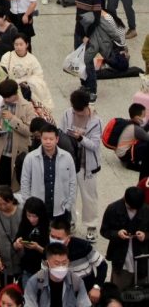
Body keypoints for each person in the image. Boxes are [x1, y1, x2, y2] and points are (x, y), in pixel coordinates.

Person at [60, 89, 102, 241]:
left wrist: (80, 138)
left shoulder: (95, 120)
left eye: (80, 112)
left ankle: (91, 226)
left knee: (89, 196)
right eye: (75, 111)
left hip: (87, 165)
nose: (77, 114)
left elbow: (95, 145)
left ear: (87, 106)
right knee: (68, 194)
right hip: (70, 161)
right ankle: (70, 221)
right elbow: (61, 133)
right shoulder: (67, 113)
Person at [20, 123, 78, 219]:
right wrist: (29, 204)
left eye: (51, 139)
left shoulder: (67, 157)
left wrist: (68, 205)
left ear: (57, 139)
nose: (48, 142)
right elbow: (25, 182)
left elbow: (72, 182)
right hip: (38, 210)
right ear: (40, 138)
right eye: (45, 139)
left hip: (61, 210)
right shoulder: (30, 158)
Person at [99, 186, 149, 290]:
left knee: (142, 294)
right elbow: (104, 231)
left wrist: (145, 235)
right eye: (131, 208)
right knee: (119, 293)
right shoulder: (113, 209)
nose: (134, 210)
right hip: (121, 261)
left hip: (141, 262)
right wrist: (117, 234)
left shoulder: (146, 210)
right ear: (125, 199)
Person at [25, 243, 91, 307]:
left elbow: (84, 304)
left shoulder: (76, 282)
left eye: (64, 263)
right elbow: (29, 304)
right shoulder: (34, 282)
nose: (61, 266)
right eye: (56, 263)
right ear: (47, 263)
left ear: (68, 262)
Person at [0, 185, 23, 282]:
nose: (2, 207)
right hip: (3, 263)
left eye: (5, 203)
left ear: (11, 200)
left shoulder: (22, 212)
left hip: (22, 260)